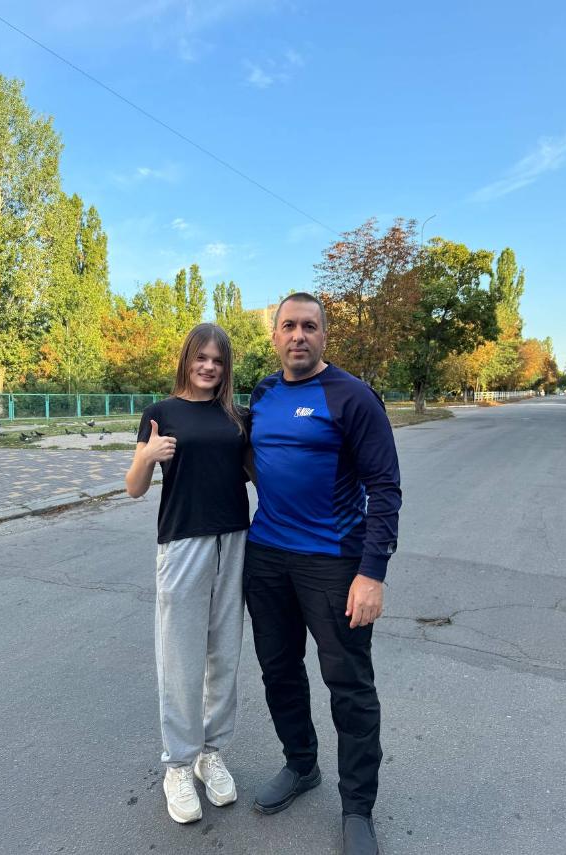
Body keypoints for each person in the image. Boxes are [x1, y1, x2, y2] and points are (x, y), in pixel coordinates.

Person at [244, 293, 401, 855]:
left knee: (349, 687)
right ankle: (301, 763)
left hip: (334, 563)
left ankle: (357, 808)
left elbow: (385, 488)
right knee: (279, 670)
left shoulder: (352, 396)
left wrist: (372, 573)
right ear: (274, 336)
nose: (298, 336)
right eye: (288, 326)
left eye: (309, 326)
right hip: (266, 558)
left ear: (325, 335)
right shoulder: (262, 393)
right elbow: (249, 459)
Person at [125, 324, 250, 825]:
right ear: (187, 359)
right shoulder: (161, 414)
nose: (209, 367)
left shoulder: (236, 417)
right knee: (180, 657)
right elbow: (135, 487)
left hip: (235, 541)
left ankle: (210, 754)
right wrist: (147, 457)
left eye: (218, 360)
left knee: (224, 653)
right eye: (202, 357)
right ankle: (177, 764)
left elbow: (260, 473)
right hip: (183, 543)